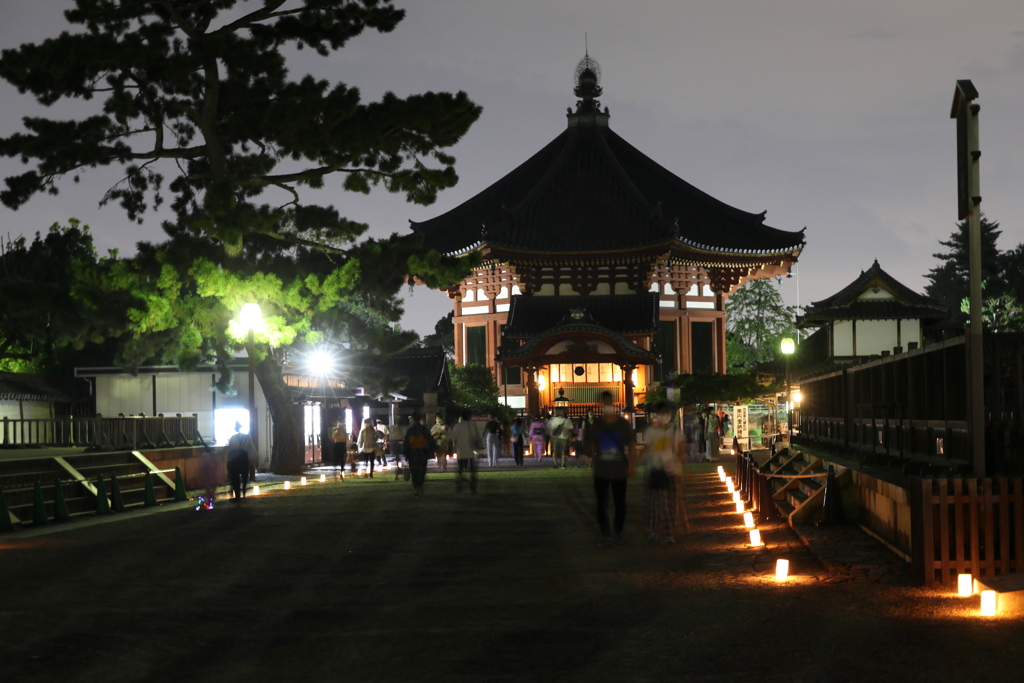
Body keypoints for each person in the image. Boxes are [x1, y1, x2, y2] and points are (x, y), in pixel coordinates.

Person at [586, 391, 636, 546]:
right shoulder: (597, 424)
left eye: (610, 402)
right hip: (601, 469)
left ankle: (618, 533)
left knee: (620, 503)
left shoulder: (622, 424)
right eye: (605, 402)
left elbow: (632, 444)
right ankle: (606, 535)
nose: (608, 405)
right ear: (602, 405)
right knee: (601, 504)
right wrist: (593, 459)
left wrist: (632, 464)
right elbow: (592, 443)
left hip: (619, 469)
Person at [638, 402, 689, 544]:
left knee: (671, 504)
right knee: (655, 504)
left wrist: (686, 468)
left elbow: (680, 450)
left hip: (672, 471)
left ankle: (669, 533)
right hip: (656, 469)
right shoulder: (651, 431)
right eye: (661, 413)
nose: (663, 416)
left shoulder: (674, 431)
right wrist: (635, 463)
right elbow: (646, 448)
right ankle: (653, 532)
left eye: (665, 413)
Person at [449, 409, 482, 493]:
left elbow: (452, 438)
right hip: (471, 451)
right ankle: (473, 488)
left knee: (460, 469)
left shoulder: (458, 426)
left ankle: (459, 485)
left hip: (461, 451)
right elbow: (476, 437)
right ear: (470, 416)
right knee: (473, 470)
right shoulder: (472, 425)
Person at [403, 413, 435, 497]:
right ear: (420, 419)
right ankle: (420, 488)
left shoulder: (410, 430)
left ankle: (416, 489)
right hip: (422, 453)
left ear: (413, 420)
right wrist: (432, 451)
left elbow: (406, 443)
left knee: (414, 472)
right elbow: (430, 440)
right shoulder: (423, 429)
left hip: (412, 454)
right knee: (421, 471)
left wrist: (406, 453)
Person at [225, 421, 257, 500]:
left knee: (235, 477)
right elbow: (251, 448)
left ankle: (237, 495)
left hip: (235, 459)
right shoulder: (247, 437)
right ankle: (244, 491)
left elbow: (230, 448)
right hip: (244, 458)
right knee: (244, 475)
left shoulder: (233, 437)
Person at [391, 415, 409, 480]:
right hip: (397, 442)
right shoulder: (395, 427)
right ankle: (399, 471)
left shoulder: (401, 427)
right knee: (398, 458)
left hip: (400, 442)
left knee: (400, 458)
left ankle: (402, 472)